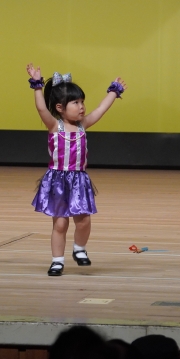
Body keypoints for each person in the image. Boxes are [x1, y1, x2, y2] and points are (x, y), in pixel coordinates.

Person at [26, 64, 127, 276]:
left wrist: (113, 91)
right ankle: (57, 261)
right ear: (60, 108)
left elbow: (100, 109)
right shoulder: (55, 126)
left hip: (79, 180)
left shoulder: (84, 124)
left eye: (82, 102)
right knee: (60, 224)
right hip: (58, 181)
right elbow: (41, 109)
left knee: (84, 221)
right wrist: (37, 86)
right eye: (75, 103)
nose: (81, 107)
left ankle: (79, 248)